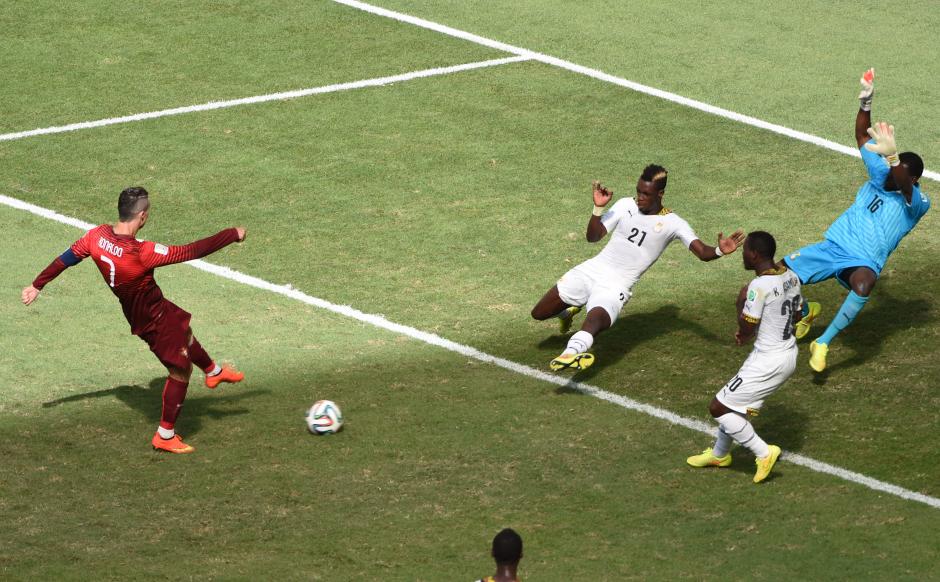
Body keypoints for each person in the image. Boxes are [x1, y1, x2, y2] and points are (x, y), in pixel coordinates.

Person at [22, 186, 247, 454]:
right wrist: (232, 234)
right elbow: (192, 251)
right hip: (152, 320)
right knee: (180, 371)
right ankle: (165, 435)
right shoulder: (142, 252)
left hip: (151, 307)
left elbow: (65, 259)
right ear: (141, 216)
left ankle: (213, 373)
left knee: (185, 332)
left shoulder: (95, 237)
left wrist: (37, 285)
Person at [782, 68, 930, 372]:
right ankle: (805, 311)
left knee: (864, 285)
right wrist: (865, 102)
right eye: (891, 166)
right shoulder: (880, 174)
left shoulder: (917, 202)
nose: (890, 172)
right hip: (834, 245)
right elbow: (862, 135)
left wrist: (893, 159)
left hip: (864, 260)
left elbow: (901, 181)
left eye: (898, 169)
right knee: (780, 273)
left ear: (914, 179)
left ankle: (822, 342)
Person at [531, 164, 745, 371]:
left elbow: (702, 252)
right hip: (591, 271)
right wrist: (598, 208)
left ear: (660, 194)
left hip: (616, 286)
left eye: (645, 194)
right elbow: (593, 237)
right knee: (539, 313)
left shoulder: (674, 223)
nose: (639, 197)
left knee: (594, 321)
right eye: (638, 191)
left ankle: (570, 354)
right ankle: (566, 313)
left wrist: (719, 251)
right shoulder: (626, 205)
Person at [687, 231, 802, 483]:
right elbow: (798, 315)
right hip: (786, 353)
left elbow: (748, 326)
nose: (742, 255)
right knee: (735, 405)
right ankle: (720, 455)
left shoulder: (758, 286)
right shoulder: (791, 276)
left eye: (744, 251)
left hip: (769, 361)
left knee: (719, 407)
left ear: (754, 254)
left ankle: (763, 453)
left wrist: (741, 302)